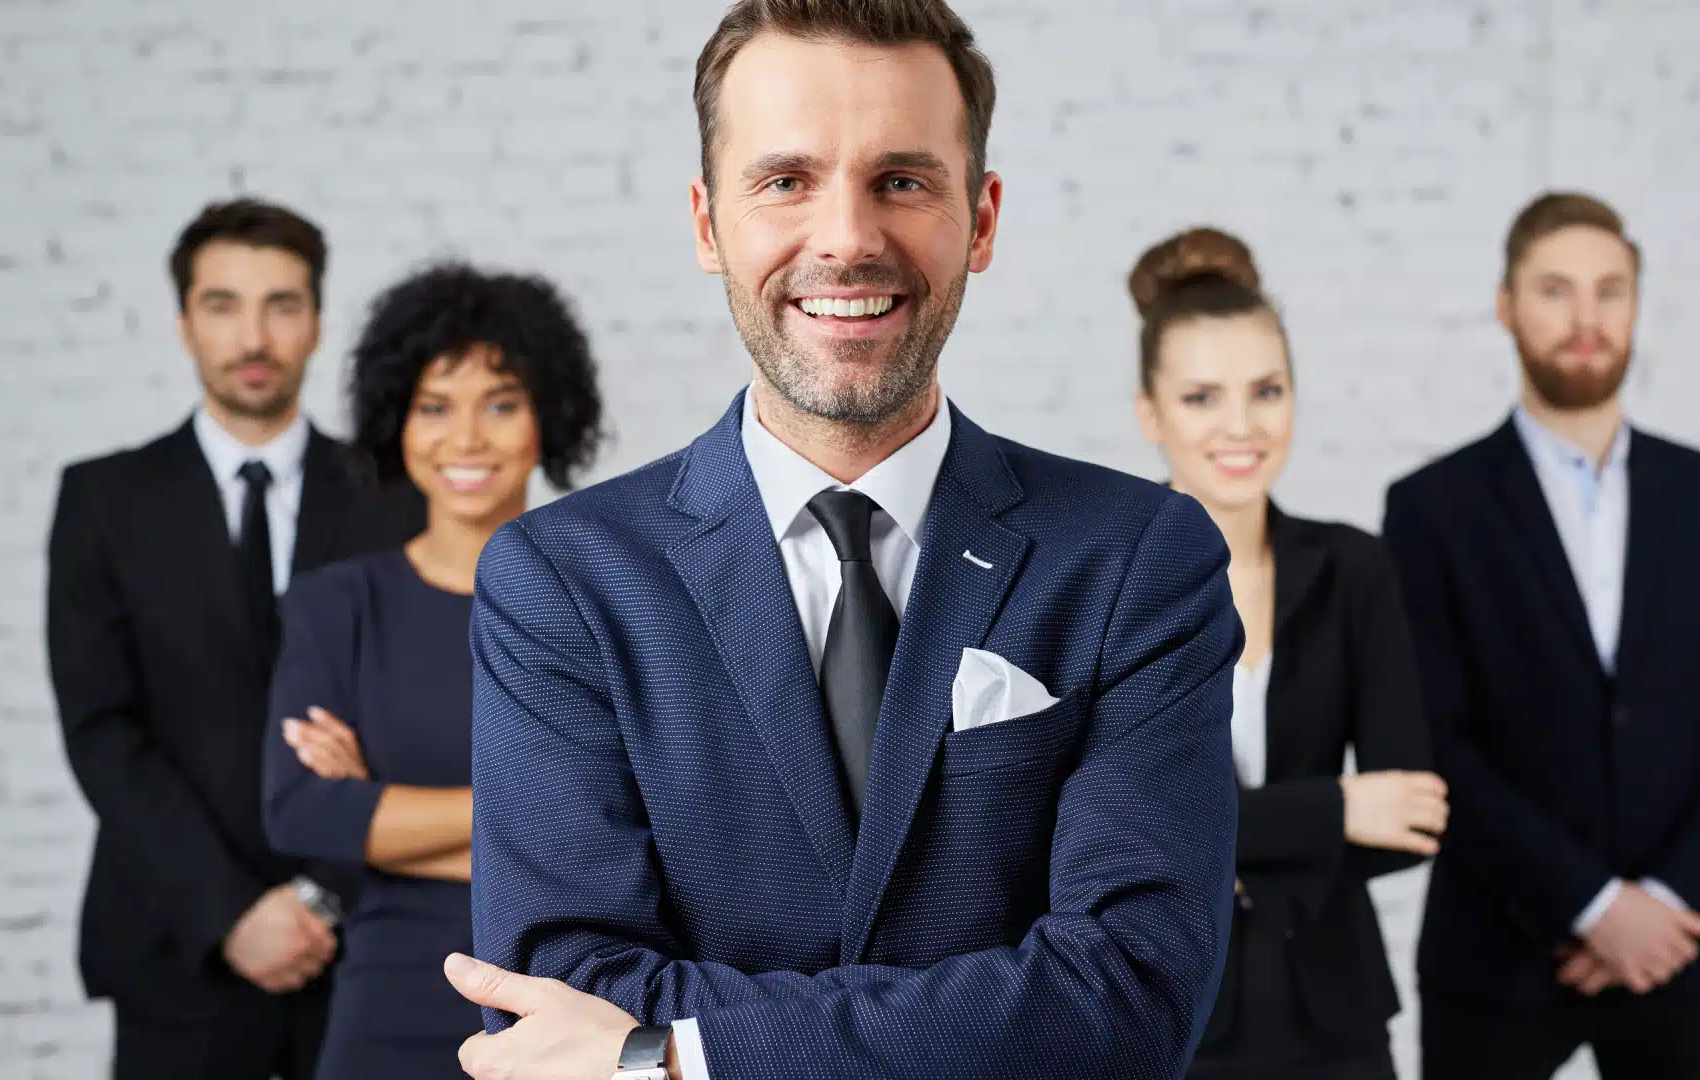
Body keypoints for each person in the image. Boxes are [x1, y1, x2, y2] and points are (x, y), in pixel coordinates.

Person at [438, 2, 1243, 1079]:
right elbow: (554, 993)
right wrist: (987, 1015)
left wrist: (678, 1056)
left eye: (902, 181)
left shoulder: (1138, 559)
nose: (850, 239)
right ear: (708, 224)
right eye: (785, 181)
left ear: (983, 218)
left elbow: (1130, 999)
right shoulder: (565, 583)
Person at [1383, 191, 1700, 1080]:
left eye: (1611, 291)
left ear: (1637, 305)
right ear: (1505, 305)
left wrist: (1660, 900)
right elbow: (1434, 738)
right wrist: (1589, 905)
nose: (1587, 318)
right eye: (1556, 290)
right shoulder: (1432, 510)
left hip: (1677, 949)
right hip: (1495, 958)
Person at [44, 197, 425, 1080]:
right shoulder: (105, 503)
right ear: (184, 322)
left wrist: (323, 897)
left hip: (363, 943)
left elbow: (422, 725)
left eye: (282, 304)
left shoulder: (397, 501)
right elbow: (104, 732)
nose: (254, 336)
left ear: (317, 322)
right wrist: (230, 912)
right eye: (224, 304)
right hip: (177, 943)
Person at [261, 262, 605, 1079]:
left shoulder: (603, 603)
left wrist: (386, 822)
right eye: (434, 408)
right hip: (386, 1007)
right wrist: (530, 824)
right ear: (397, 424)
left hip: (568, 1008)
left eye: (501, 404)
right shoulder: (338, 605)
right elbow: (301, 811)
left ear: (546, 418)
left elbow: (644, 833)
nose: (467, 440)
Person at [1128, 229, 1448, 1080]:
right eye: (1202, 398)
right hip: (1170, 1018)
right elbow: (1120, 835)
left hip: (1336, 1019)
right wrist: (1334, 809)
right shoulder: (1103, 583)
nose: (1242, 427)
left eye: (1266, 391)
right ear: (1150, 414)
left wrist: (1227, 849)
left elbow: (1409, 817)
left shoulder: (1355, 569)